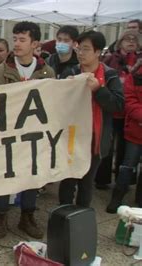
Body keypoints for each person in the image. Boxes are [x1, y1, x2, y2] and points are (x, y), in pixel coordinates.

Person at [0, 21, 55, 240]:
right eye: (15, 39)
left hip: (33, 135)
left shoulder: (47, 72)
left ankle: (27, 216)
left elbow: (50, 104)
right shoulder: (3, 70)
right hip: (7, 133)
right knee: (4, 174)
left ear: (35, 43)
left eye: (22, 39)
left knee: (31, 175)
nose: (16, 44)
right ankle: (1, 216)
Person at [59, 30, 124, 208]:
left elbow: (118, 105)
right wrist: (67, 88)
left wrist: (99, 90)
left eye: (86, 49)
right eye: (79, 49)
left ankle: (81, 218)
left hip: (95, 137)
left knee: (87, 183)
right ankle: (62, 214)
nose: (81, 53)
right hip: (71, 136)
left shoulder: (110, 76)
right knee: (67, 180)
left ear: (98, 52)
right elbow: (58, 105)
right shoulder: (70, 71)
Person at [97, 30, 142, 189]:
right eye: (127, 39)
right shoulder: (110, 59)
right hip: (112, 108)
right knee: (107, 145)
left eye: (134, 40)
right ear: (120, 42)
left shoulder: (139, 61)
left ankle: (123, 181)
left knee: (125, 148)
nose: (130, 42)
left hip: (129, 114)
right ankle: (102, 179)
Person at [106, 57, 142, 213]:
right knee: (127, 165)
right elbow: (130, 101)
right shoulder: (134, 77)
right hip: (135, 130)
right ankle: (117, 198)